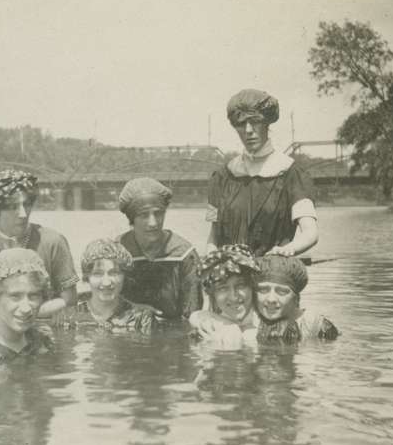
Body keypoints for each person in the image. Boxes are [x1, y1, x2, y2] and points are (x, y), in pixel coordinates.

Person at [206, 89, 318, 257]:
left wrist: (288, 249)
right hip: (229, 271)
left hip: (274, 266)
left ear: (267, 124)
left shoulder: (291, 173)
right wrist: (211, 255)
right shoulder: (224, 176)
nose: (248, 130)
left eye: (255, 122)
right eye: (241, 124)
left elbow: (311, 233)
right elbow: (214, 237)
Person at [0, 169, 78, 317]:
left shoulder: (53, 241)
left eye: (27, 204)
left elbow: (69, 300)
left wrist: (23, 315)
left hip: (45, 324)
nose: (23, 214)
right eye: (13, 207)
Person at [116, 177, 202, 321]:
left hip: (174, 331)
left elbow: (193, 312)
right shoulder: (117, 251)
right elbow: (106, 302)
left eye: (158, 213)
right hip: (127, 327)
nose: (153, 222)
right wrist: (135, 308)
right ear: (131, 219)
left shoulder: (184, 254)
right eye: (144, 215)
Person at [68, 238, 156, 332]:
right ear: (87, 277)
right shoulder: (70, 317)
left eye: (114, 273)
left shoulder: (141, 317)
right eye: (98, 274)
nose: (106, 282)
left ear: (124, 276)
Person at [252, 254, 339, 344]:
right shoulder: (245, 322)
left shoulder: (315, 326)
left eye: (282, 291)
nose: (271, 299)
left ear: (296, 299)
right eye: (263, 290)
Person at [189, 244, 260, 348]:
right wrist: (231, 327)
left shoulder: (264, 325)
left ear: (252, 286)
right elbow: (196, 316)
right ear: (212, 294)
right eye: (222, 288)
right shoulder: (213, 320)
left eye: (240, 285)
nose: (233, 297)